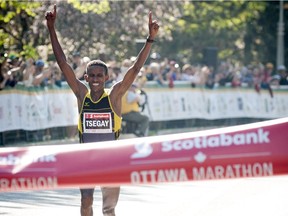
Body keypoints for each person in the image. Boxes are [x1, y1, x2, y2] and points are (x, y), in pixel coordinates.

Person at [45, 4, 159, 216]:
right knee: (86, 201)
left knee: (109, 209)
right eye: (92, 76)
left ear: (106, 78)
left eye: (100, 76)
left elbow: (135, 69)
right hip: (85, 158)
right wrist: (51, 28)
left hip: (111, 159)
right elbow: (62, 63)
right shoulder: (82, 94)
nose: (96, 79)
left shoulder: (114, 95)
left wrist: (150, 39)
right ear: (86, 77)